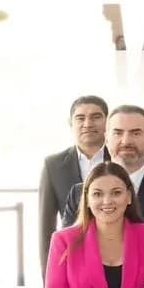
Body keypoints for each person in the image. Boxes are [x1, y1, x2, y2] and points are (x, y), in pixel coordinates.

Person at [62, 105, 144, 240]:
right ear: (106, 139)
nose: (126, 141)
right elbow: (68, 245)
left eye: (135, 133)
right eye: (118, 133)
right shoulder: (79, 194)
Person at [38, 95, 108, 268]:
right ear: (71, 123)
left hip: (117, 256)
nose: (88, 124)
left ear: (108, 121)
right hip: (73, 259)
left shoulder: (121, 159)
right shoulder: (53, 165)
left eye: (96, 117)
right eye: (80, 118)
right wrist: (48, 275)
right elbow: (46, 227)